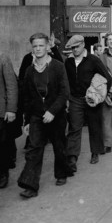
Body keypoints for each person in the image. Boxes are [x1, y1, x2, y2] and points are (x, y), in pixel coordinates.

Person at [17, 33, 71, 199]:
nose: (38, 49)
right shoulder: (29, 70)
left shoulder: (57, 66)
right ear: (32, 48)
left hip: (57, 115)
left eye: (41, 45)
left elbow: (64, 93)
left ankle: (62, 172)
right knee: (34, 150)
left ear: (48, 47)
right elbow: (26, 98)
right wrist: (27, 121)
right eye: (35, 46)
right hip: (36, 116)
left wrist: (52, 111)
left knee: (59, 146)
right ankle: (30, 185)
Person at [65, 35, 111, 172]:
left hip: (92, 99)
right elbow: (65, 81)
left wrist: (101, 93)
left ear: (83, 45)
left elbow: (107, 77)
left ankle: (95, 152)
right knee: (74, 127)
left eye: (77, 47)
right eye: (72, 48)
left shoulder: (93, 60)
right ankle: (72, 157)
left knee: (94, 126)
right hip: (75, 99)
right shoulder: (68, 62)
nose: (75, 50)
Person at [0, 53, 18, 189]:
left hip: (1, 111)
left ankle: (2, 174)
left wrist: (11, 109)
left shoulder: (3, 58)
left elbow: (11, 86)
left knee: (2, 145)